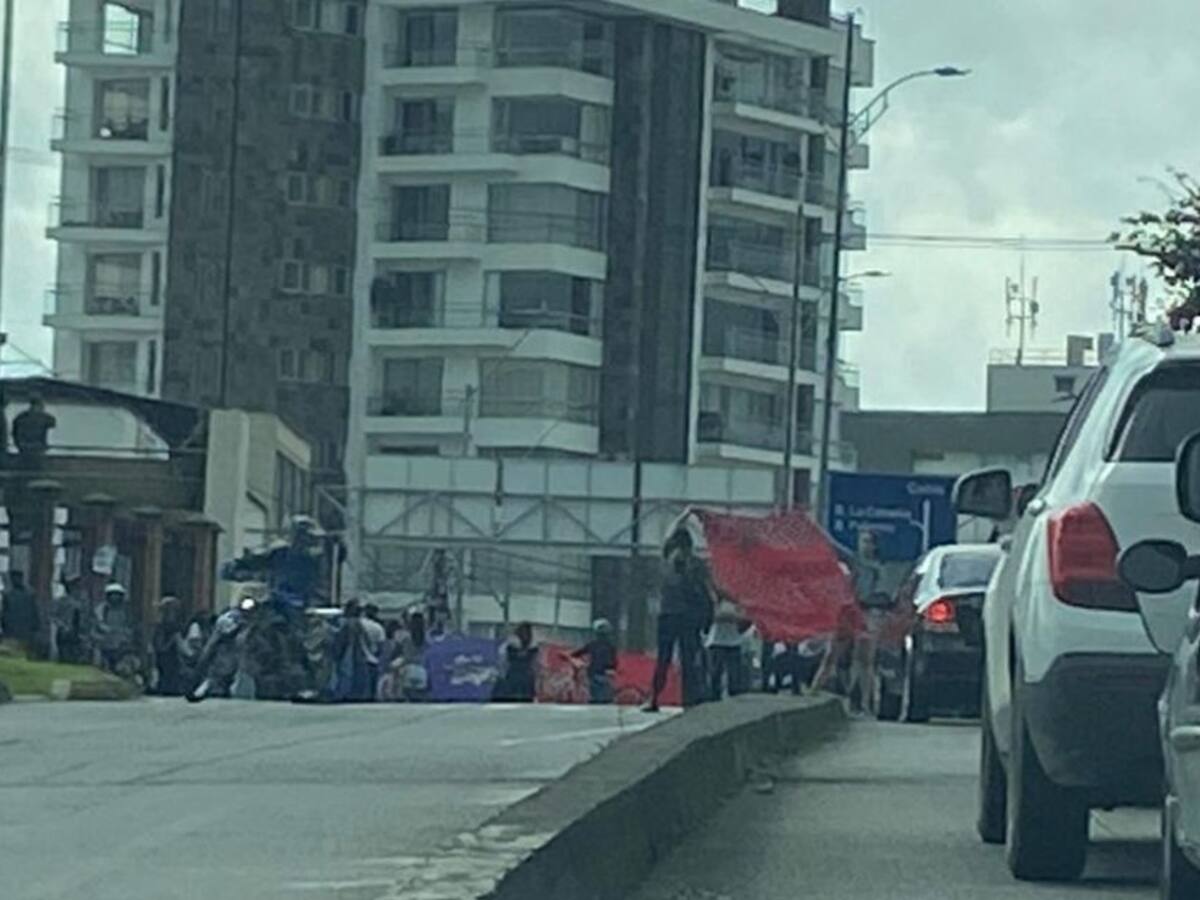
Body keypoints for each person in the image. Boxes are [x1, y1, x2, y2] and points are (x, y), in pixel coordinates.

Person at [647, 529, 713, 711]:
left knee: (663, 658)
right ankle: (689, 699)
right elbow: (704, 592)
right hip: (688, 617)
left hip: (667, 615)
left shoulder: (665, 563)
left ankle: (654, 698)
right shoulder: (696, 564)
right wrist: (707, 618)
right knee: (688, 660)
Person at [331, 600, 374, 702]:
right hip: (353, 655)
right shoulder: (352, 623)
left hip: (351, 656)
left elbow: (340, 642)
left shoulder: (348, 623)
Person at [93, 582, 137, 678]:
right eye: (112, 594)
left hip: (121, 645)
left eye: (117, 594)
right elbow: (98, 623)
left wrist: (126, 635)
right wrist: (106, 631)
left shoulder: (126, 610)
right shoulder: (102, 608)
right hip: (106, 644)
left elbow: (130, 625)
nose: (115, 597)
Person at [707, 595, 744, 701]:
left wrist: (729, 616)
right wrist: (731, 616)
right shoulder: (715, 601)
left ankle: (734, 695)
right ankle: (714, 696)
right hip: (717, 642)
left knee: (734, 673)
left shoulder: (739, 603)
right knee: (715, 672)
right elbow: (714, 616)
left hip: (734, 641)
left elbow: (743, 618)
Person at [573, 618, 617, 704]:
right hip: (605, 673)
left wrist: (570, 655)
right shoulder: (610, 646)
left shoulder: (593, 644)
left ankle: (598, 699)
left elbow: (579, 652)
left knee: (596, 693)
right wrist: (612, 668)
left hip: (595, 672)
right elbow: (614, 660)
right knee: (605, 695)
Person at [493, 621, 539, 703]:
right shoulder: (508, 647)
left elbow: (536, 666)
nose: (525, 635)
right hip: (511, 682)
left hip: (526, 684)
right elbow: (501, 665)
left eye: (527, 633)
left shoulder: (534, 650)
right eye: (523, 632)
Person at [152, 596, 187, 696]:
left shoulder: (177, 624)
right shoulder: (161, 626)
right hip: (165, 656)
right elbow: (160, 646)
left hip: (174, 655)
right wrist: (171, 641)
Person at [1, 571, 39, 653]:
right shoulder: (8, 594)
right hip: (16, 631)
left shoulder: (29, 594)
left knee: (16, 653)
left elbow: (34, 613)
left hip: (17, 631)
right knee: (15, 653)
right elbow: (4, 613)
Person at [11, 396, 56, 466]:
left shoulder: (20, 417)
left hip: (25, 447)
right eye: (41, 405)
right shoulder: (43, 418)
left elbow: (52, 423)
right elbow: (52, 422)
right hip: (34, 448)